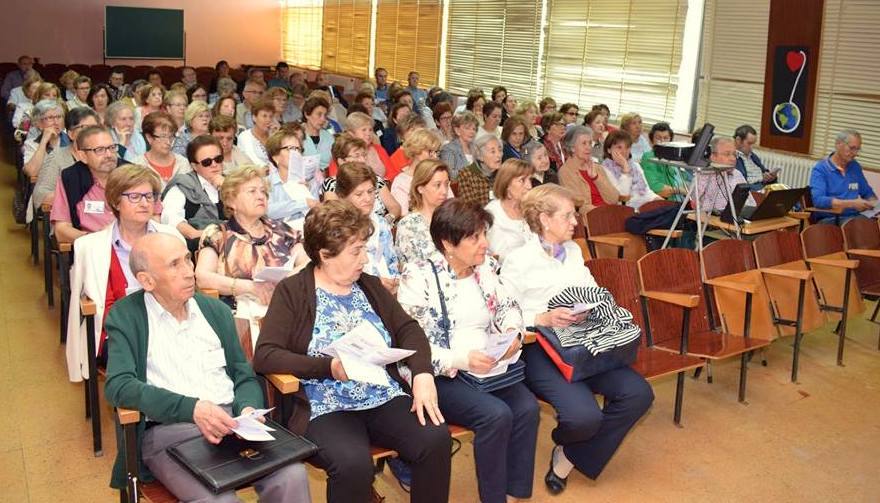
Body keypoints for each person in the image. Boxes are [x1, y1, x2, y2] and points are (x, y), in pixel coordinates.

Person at [252, 200, 451, 503]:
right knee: (352, 463)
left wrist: (423, 374)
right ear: (325, 255)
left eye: (364, 249)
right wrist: (329, 367)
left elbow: (409, 329)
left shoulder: (368, 285)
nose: (365, 259)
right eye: (356, 251)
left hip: (380, 394)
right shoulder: (293, 291)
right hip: (324, 404)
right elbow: (266, 355)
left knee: (435, 438)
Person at [103, 232, 311, 502]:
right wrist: (192, 408)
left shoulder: (215, 311)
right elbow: (119, 386)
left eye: (188, 260)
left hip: (233, 424)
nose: (189, 272)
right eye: (174, 265)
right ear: (147, 280)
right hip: (170, 431)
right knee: (219, 500)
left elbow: (243, 375)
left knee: (292, 475)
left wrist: (247, 409)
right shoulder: (127, 316)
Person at [501, 184, 654, 494]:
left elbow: (590, 289)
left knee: (638, 394)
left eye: (575, 215)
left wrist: (589, 307)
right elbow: (504, 313)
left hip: (583, 340)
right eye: (568, 215)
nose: (576, 222)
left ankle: (569, 455)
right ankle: (575, 441)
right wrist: (541, 317)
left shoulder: (572, 251)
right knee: (583, 418)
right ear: (544, 219)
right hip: (540, 348)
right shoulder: (518, 259)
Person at [397, 199, 539, 503]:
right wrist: (462, 359)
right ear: (448, 243)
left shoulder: (484, 268)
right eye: (474, 237)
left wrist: (512, 333)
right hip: (440, 374)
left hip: (487, 367)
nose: (484, 243)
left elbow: (508, 306)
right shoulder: (418, 275)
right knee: (496, 415)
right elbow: (410, 344)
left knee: (527, 408)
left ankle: (514, 493)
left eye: (484, 234)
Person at [66, 165, 183, 381]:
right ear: (116, 202)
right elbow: (82, 304)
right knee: (148, 363)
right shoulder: (89, 246)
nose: (144, 203)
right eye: (135, 197)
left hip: (169, 321)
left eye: (149, 196)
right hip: (119, 332)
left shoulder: (171, 237)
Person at [196, 165, 308, 338]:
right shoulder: (217, 234)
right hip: (240, 318)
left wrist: (286, 282)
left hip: (286, 306)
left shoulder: (281, 230)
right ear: (231, 201)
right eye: (252, 191)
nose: (260, 196)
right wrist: (250, 287)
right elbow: (203, 277)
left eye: (263, 191)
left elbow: (306, 262)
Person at [335, 162, 401, 293]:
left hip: (388, 289)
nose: (367, 199)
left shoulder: (381, 223)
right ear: (343, 196)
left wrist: (394, 281)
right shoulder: (336, 229)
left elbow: (391, 261)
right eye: (359, 194)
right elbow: (340, 273)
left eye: (370, 192)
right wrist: (375, 284)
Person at [50, 126, 120, 242]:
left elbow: (151, 218)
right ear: (83, 156)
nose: (109, 154)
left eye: (112, 148)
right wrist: (95, 240)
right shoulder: (71, 178)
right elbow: (61, 230)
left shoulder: (132, 174)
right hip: (91, 246)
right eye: (100, 150)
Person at [161, 135, 226, 247]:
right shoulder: (182, 185)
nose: (214, 165)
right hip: (194, 247)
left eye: (218, 159)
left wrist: (228, 188)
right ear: (194, 166)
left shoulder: (232, 182)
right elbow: (170, 218)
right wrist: (200, 235)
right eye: (207, 162)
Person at [32, 108, 100, 212]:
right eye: (84, 128)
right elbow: (39, 195)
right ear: (71, 134)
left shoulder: (106, 154)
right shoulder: (57, 157)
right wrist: (78, 201)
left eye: (94, 128)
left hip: (103, 214)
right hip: (68, 215)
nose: (91, 133)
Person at [809, 129, 877, 223]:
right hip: (830, 219)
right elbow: (818, 200)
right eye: (852, 148)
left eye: (857, 149)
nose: (855, 153)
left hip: (854, 217)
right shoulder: (821, 169)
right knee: (859, 226)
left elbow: (868, 193)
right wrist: (851, 204)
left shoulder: (855, 167)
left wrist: (874, 204)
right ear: (838, 144)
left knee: (871, 224)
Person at [395, 159, 453, 266]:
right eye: (437, 185)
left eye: (446, 184)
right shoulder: (408, 226)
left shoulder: (453, 218)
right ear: (420, 188)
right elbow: (412, 269)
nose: (444, 191)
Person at [264, 125, 319, 229]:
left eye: (298, 149)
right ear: (275, 157)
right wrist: (303, 203)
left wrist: (306, 192)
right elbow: (267, 211)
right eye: (290, 149)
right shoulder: (266, 183)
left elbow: (317, 212)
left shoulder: (309, 181)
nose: (296, 153)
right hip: (278, 233)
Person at [558, 126, 619, 218]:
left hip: (609, 213)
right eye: (584, 143)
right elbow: (580, 205)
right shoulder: (566, 172)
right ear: (572, 148)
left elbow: (614, 198)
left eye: (590, 143)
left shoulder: (598, 168)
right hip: (592, 218)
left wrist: (596, 178)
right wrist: (603, 213)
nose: (588, 147)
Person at [486, 159, 535, 262]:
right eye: (522, 180)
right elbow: (499, 256)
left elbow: (544, 242)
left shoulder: (531, 208)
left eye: (530, 179)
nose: (529, 186)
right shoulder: (493, 213)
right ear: (507, 184)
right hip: (511, 268)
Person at [601, 130, 662, 210]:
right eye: (619, 147)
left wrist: (659, 200)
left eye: (627, 147)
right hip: (626, 209)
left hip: (644, 205)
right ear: (609, 150)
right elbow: (622, 197)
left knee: (670, 209)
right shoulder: (604, 169)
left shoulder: (635, 166)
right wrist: (625, 170)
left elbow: (647, 192)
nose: (624, 151)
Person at [130, 111, 190, 187]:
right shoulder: (137, 166)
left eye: (171, 136)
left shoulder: (184, 164)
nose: (168, 142)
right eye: (163, 137)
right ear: (149, 137)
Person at [390, 129, 443, 215]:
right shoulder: (401, 182)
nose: (435, 156)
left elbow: (450, 205)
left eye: (436, 152)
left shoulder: (439, 174)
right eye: (430, 152)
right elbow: (404, 216)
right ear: (417, 151)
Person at [327, 111, 392, 178]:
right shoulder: (342, 155)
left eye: (370, 130)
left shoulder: (379, 149)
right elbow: (337, 180)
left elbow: (392, 174)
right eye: (364, 130)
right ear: (351, 133)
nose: (368, 134)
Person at [694, 136, 747, 213]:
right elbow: (700, 209)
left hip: (739, 216)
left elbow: (750, 204)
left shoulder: (737, 174)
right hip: (712, 218)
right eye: (727, 154)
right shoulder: (703, 176)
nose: (733, 159)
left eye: (734, 155)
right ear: (713, 156)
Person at [641, 122, 688, 201]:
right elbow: (656, 188)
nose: (662, 142)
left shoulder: (674, 158)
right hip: (663, 201)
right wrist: (680, 190)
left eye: (666, 138)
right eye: (658, 138)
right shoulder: (649, 157)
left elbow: (685, 180)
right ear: (652, 140)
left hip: (682, 200)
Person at [22, 100, 66, 179]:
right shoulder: (31, 144)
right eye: (50, 118)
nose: (56, 122)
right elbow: (32, 172)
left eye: (59, 117)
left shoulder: (72, 140)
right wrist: (44, 140)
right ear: (38, 123)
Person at [457, 133, 504, 207]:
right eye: (493, 152)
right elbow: (470, 208)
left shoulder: (504, 173)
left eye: (500, 150)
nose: (499, 155)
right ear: (480, 156)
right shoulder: (466, 175)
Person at [734, 124, 777, 189]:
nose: (752, 147)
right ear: (738, 140)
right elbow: (741, 184)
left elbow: (764, 171)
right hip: (753, 190)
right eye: (749, 143)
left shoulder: (752, 156)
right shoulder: (733, 158)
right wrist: (761, 184)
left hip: (763, 187)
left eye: (753, 144)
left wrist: (770, 177)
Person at [440, 111, 480, 179]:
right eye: (467, 128)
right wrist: (471, 171)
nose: (472, 132)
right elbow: (449, 174)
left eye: (474, 129)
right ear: (457, 130)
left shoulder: (476, 148)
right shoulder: (449, 149)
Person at [237, 99, 275, 168]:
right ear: (254, 117)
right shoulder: (244, 136)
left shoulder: (274, 135)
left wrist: (276, 138)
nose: (268, 120)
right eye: (264, 116)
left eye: (271, 116)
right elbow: (252, 159)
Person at [302, 96, 334, 173]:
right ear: (307, 114)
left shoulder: (329, 137)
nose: (323, 119)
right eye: (319, 114)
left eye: (325, 115)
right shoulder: (295, 135)